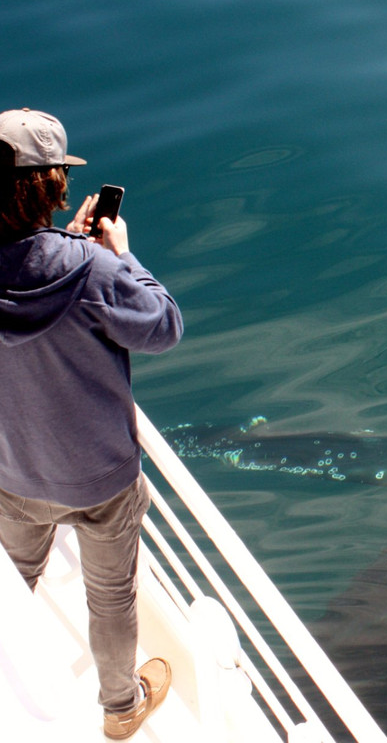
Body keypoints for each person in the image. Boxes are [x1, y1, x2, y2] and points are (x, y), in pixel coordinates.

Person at [0, 108, 183, 739]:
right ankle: (121, 706)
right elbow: (164, 326)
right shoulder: (95, 269)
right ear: (52, 186)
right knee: (111, 599)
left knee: (12, 584)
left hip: (14, 473)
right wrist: (120, 256)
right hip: (101, 481)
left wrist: (64, 245)